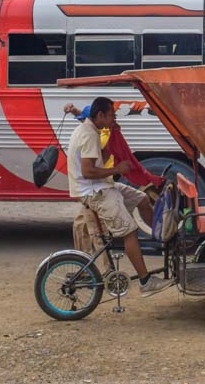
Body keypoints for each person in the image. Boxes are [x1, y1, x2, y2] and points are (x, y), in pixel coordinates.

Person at [67, 97, 167, 295]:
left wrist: (112, 135)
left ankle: (163, 240)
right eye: (112, 115)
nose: (114, 118)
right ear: (101, 115)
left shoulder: (93, 130)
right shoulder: (89, 135)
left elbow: (100, 159)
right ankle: (145, 282)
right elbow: (88, 171)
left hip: (103, 186)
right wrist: (117, 168)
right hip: (95, 192)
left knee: (142, 199)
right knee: (129, 231)